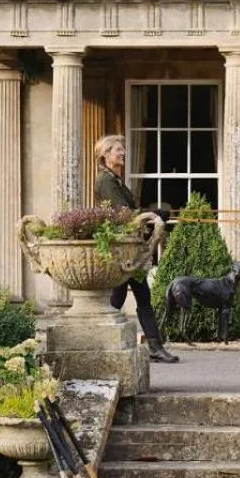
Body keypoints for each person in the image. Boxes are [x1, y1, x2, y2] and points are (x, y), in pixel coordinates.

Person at [93, 134, 178, 363]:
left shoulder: (116, 180)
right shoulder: (105, 181)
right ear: (105, 155)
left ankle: (155, 347)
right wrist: (153, 215)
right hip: (121, 249)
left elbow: (130, 210)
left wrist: (152, 213)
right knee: (117, 299)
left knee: (141, 297)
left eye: (122, 149)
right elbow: (123, 214)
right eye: (117, 150)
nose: (122, 153)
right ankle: (99, 344)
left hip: (129, 247)